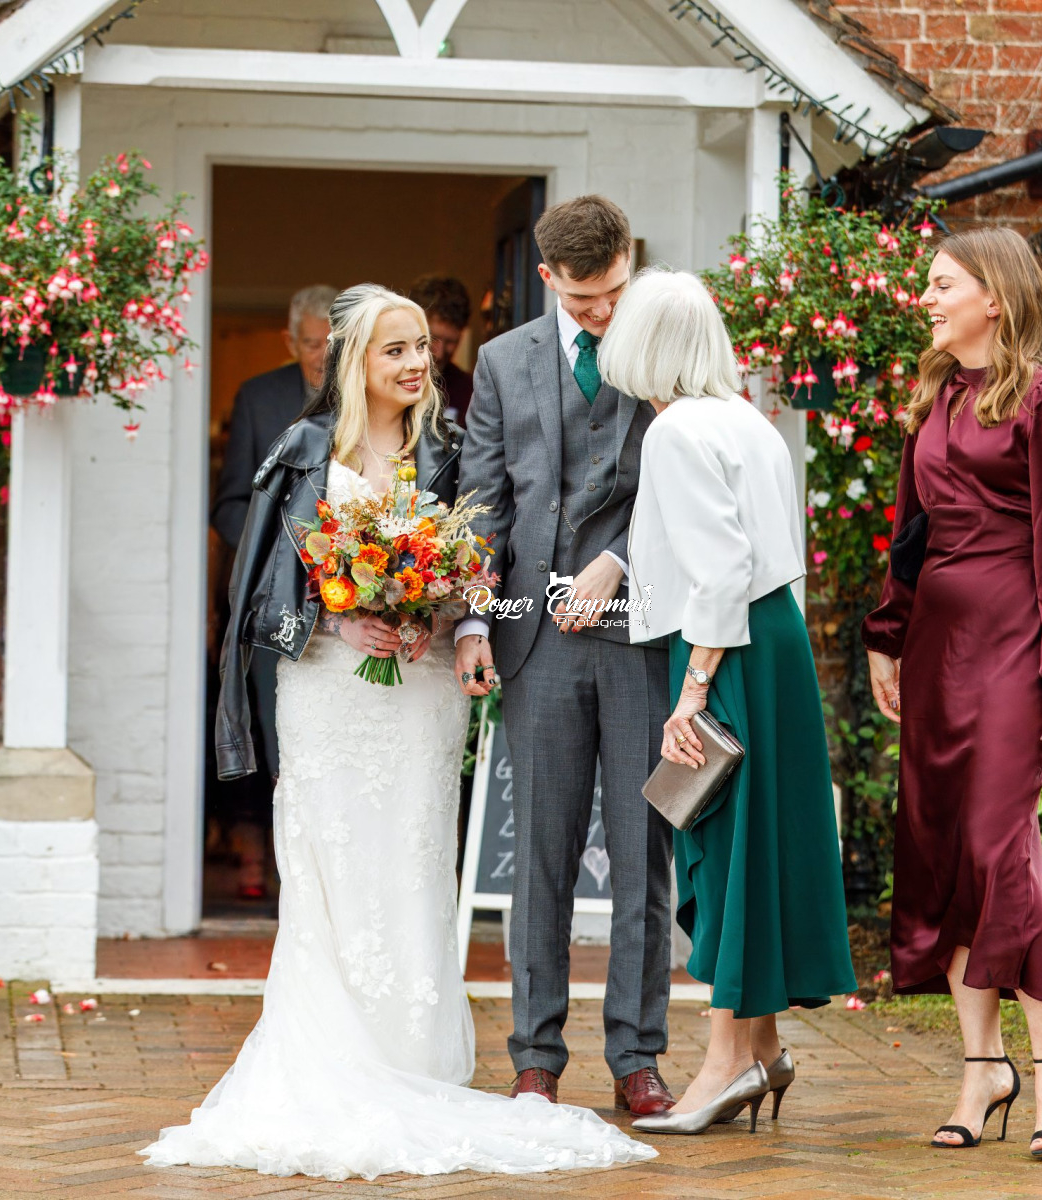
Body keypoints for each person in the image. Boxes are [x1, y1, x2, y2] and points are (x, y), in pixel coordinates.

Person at [148, 285, 655, 1180]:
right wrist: (337, 619)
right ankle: (329, 1060)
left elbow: (482, 557)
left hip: (420, 695)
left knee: (414, 866)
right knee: (333, 872)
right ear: (354, 359)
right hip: (330, 693)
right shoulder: (303, 451)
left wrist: (449, 620)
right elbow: (256, 594)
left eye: (423, 346)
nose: (420, 362)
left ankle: (416, 1062)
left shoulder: (450, 451)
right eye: (397, 349)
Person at [861, 227, 1042, 1159]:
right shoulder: (936, 394)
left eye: (942, 284)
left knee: (1001, 847)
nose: (925, 298)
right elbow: (910, 533)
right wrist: (888, 635)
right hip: (937, 644)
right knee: (943, 850)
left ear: (993, 297)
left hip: (1014, 641)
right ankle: (981, 1068)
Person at [597, 268, 857, 1135]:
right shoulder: (749, 419)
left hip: (727, 645)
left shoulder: (675, 431)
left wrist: (693, 691)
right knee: (758, 844)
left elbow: (718, 571)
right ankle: (764, 1047)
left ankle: (723, 1066)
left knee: (727, 844)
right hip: (773, 638)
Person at [453, 196, 677, 1117]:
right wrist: (473, 622)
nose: (604, 312)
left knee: (642, 852)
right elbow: (482, 498)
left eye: (615, 291)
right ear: (548, 278)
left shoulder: (660, 350)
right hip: (533, 638)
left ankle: (637, 1055)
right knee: (540, 856)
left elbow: (677, 480)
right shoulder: (503, 361)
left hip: (637, 634)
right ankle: (536, 1055)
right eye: (585, 301)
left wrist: (616, 559)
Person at [206, 283, 337, 898]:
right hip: (275, 602)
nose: (322, 355)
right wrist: (278, 546)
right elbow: (229, 504)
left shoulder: (371, 393)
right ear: (290, 341)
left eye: (331, 342)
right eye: (310, 344)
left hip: (358, 602)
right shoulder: (258, 399)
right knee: (280, 735)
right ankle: (292, 881)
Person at [408, 274, 475, 426]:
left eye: (451, 342)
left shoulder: (468, 391)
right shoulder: (385, 381)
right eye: (432, 338)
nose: (439, 353)